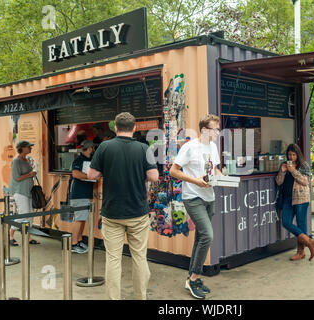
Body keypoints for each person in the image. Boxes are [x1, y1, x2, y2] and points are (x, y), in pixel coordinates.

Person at [88, 112, 159, 300]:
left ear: (116, 128)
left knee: (113, 259)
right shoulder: (144, 148)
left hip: (112, 213)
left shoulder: (104, 147)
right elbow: (154, 177)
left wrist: (107, 171)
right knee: (139, 257)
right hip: (138, 212)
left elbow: (91, 175)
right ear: (134, 128)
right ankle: (140, 297)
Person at [170, 114, 222, 300]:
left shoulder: (213, 147)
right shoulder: (190, 147)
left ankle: (192, 277)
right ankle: (194, 278)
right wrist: (195, 181)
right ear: (204, 130)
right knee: (208, 235)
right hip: (193, 196)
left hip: (210, 197)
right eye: (215, 129)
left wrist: (222, 177)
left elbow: (214, 169)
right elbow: (173, 170)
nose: (218, 132)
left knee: (201, 237)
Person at [275, 143, 314, 261]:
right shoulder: (284, 165)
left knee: (301, 224)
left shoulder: (303, 165)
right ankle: (310, 242)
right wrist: (283, 171)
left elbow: (305, 181)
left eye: (293, 155)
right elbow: (279, 182)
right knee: (286, 222)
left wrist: (293, 171)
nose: (291, 157)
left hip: (301, 199)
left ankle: (300, 252)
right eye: (289, 154)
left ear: (297, 155)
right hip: (287, 198)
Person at [9, 140, 40, 245]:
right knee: (24, 214)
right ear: (22, 148)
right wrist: (30, 175)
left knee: (30, 214)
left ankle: (28, 237)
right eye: (29, 147)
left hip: (28, 190)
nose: (31, 148)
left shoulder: (26, 159)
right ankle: (11, 235)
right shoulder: (16, 161)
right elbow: (16, 178)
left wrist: (32, 174)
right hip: (20, 191)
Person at [69, 139, 96, 254]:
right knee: (79, 219)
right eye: (92, 149)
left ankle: (79, 240)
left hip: (85, 194)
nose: (93, 151)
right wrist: (89, 176)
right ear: (90, 148)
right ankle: (73, 244)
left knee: (82, 219)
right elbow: (75, 174)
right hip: (79, 194)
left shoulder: (88, 160)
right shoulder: (79, 159)